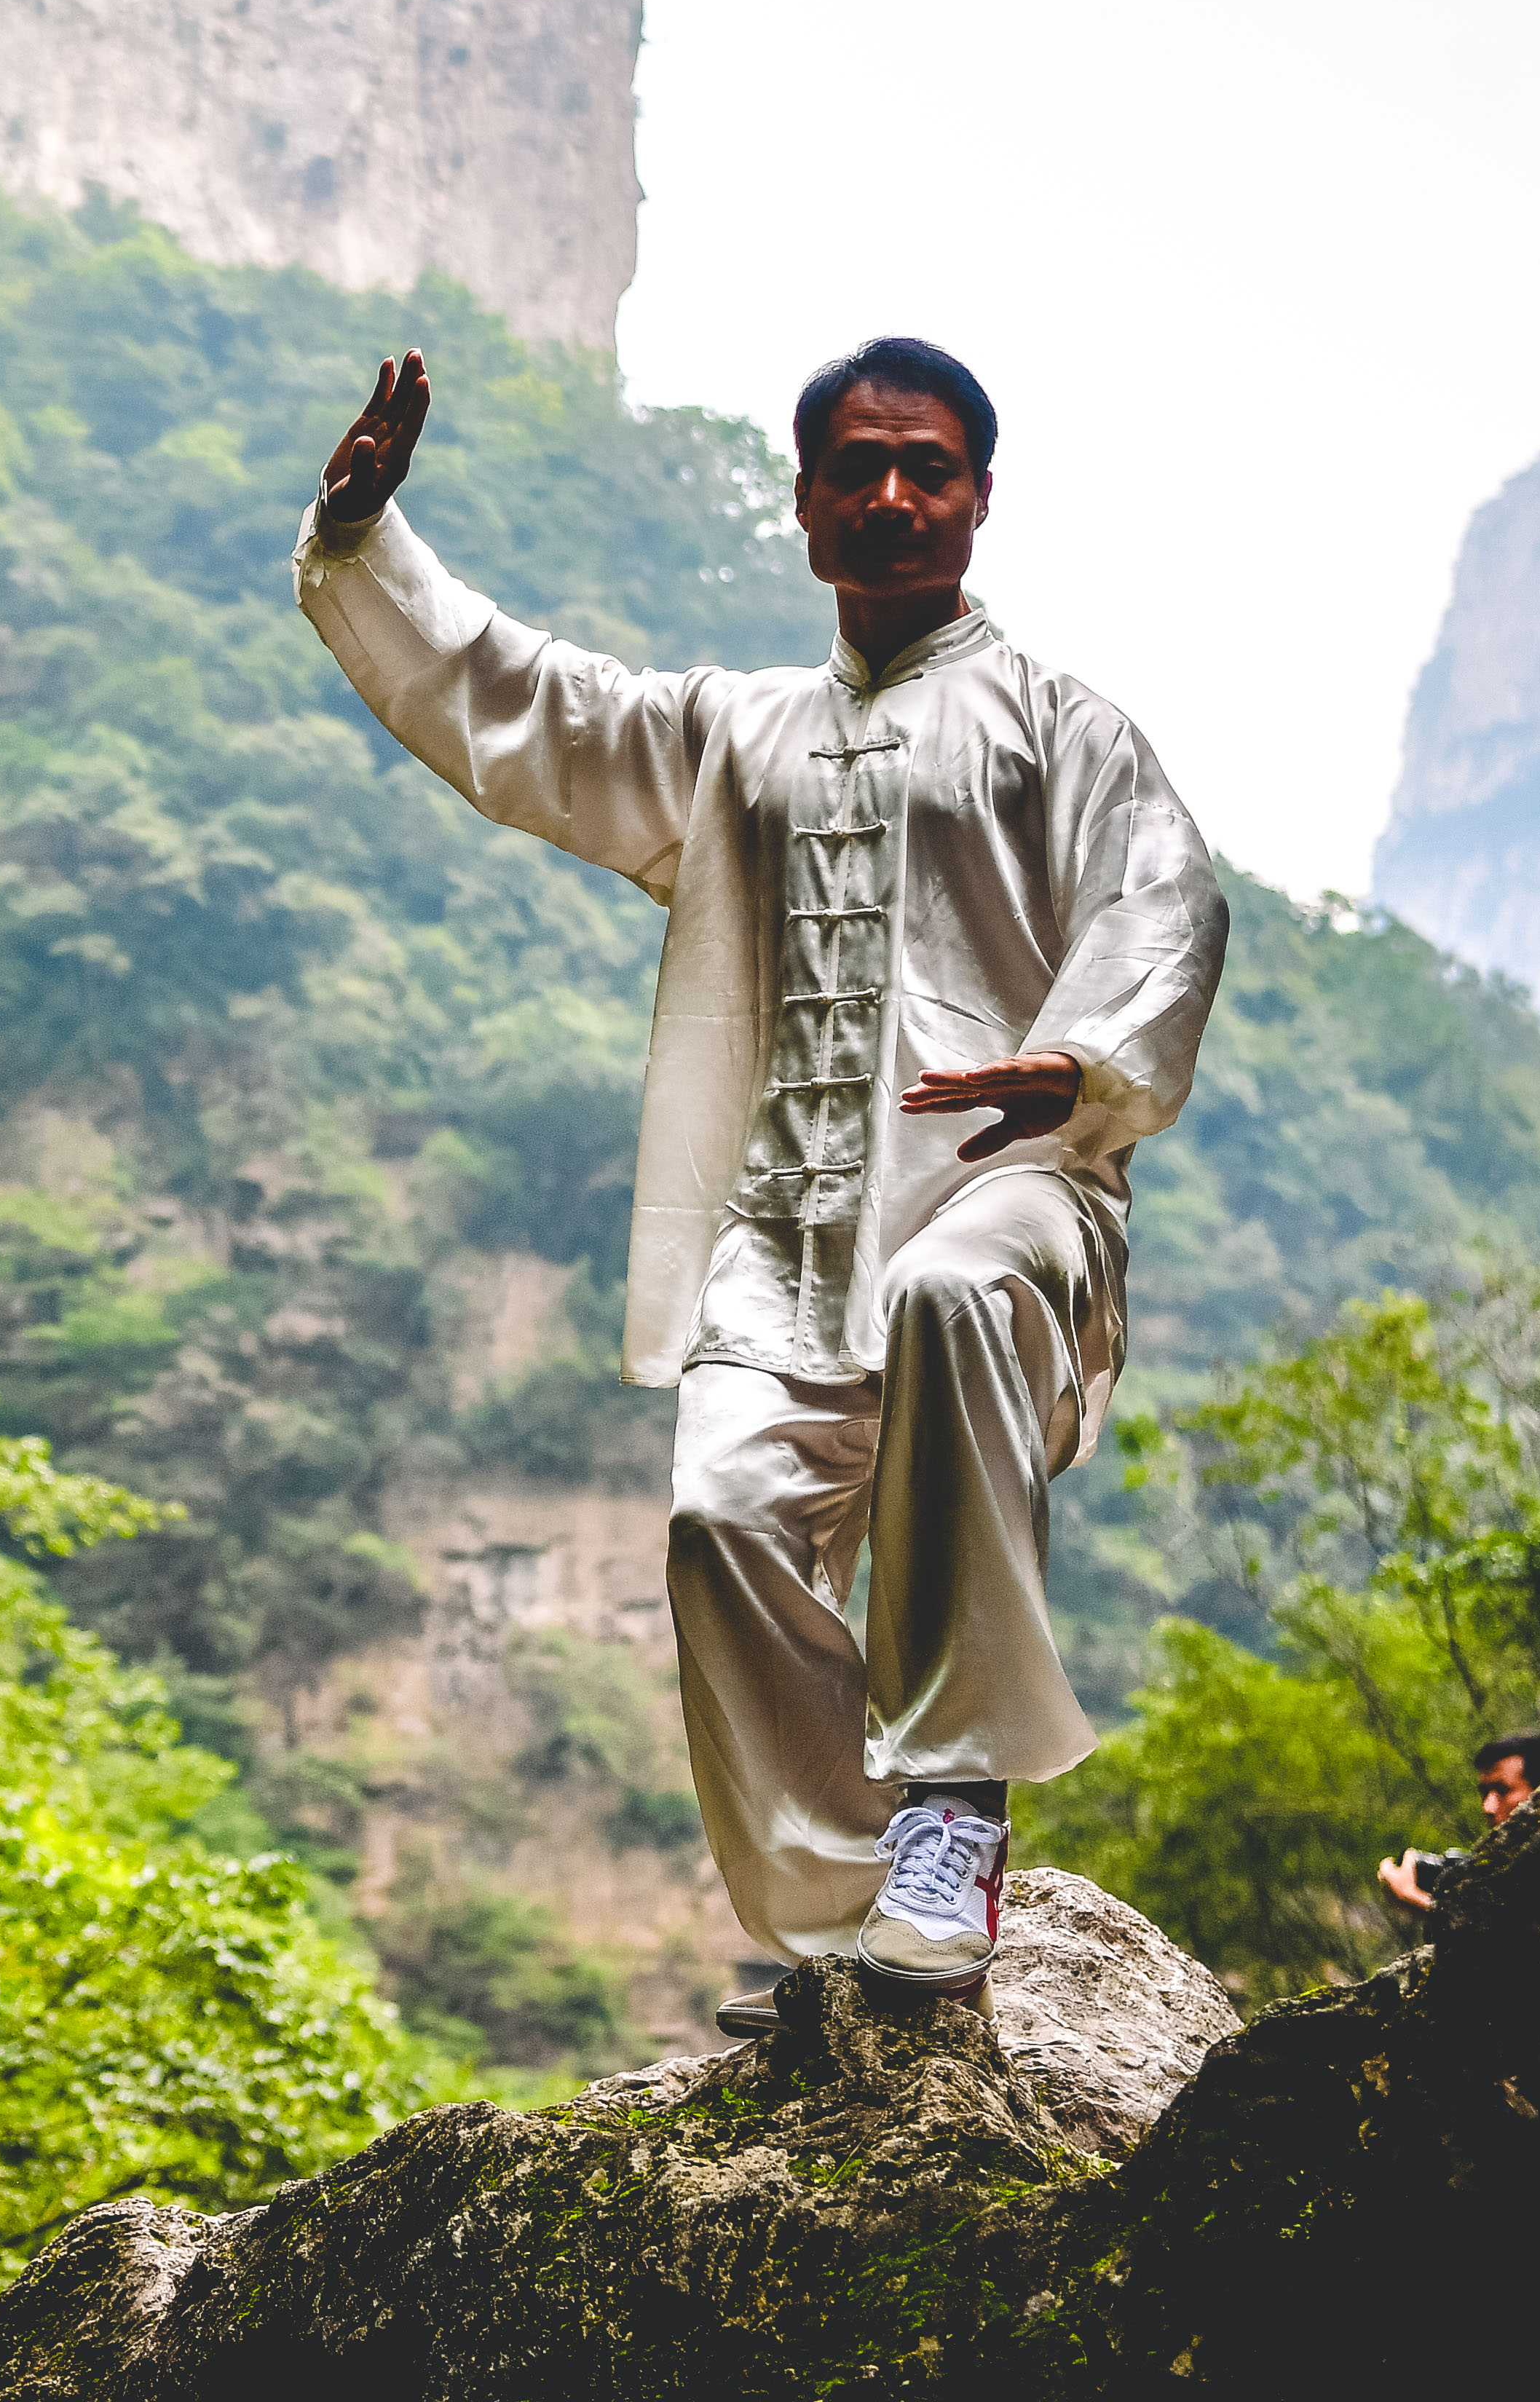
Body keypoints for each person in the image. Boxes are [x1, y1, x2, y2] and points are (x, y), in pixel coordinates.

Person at [300, 341, 1226, 2008]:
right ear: (802, 504)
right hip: (793, 1220)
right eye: (854, 467)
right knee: (720, 1517)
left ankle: (953, 1809)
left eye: (925, 468)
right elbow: (529, 705)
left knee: (950, 1291)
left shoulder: (1057, 726)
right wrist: (370, 546)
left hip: (1008, 1183)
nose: (889, 496)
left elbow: (1162, 899)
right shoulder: (735, 734)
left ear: (978, 498)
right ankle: (847, 1914)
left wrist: (1077, 1060)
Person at [1378, 1731, 1540, 1914]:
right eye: (1485, 1793)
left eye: (1503, 1790)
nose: (1488, 1807)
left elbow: (1509, 1937)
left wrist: (1416, 1900)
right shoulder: (1502, 1868)